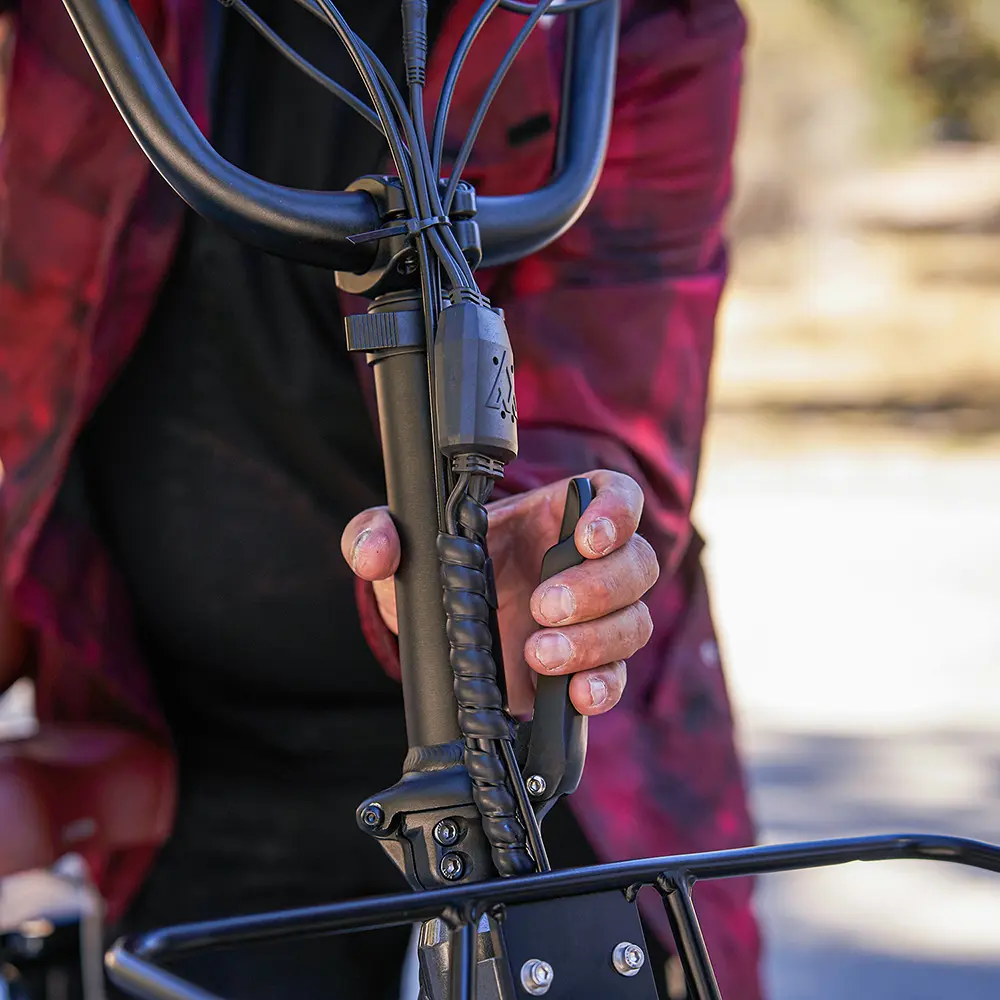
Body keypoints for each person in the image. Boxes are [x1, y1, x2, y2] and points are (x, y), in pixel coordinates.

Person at [0, 0, 761, 996]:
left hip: (539, 746)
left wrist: (533, 540)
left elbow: (620, 363)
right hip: (201, 739)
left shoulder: (624, 24)